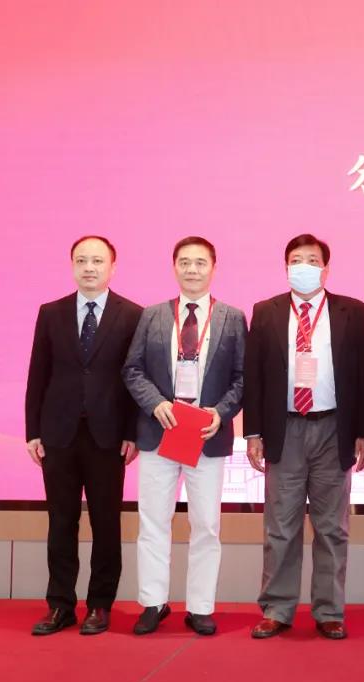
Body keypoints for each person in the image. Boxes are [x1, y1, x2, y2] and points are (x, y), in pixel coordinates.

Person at [244, 234, 364, 640]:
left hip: (335, 429)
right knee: (280, 526)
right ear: (286, 268)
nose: (304, 267)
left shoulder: (354, 312)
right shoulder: (265, 312)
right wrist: (253, 431)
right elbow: (254, 374)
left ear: (325, 269)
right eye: (296, 260)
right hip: (284, 429)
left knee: (332, 526)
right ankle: (277, 609)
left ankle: (329, 610)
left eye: (312, 260)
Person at [123, 236, 246, 636]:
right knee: (153, 521)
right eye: (185, 262)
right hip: (160, 432)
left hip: (206, 434)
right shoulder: (152, 315)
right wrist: (155, 403)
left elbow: (243, 377)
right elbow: (132, 369)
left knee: (206, 524)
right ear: (174, 267)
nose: (192, 269)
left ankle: (200, 606)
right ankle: (153, 602)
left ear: (214, 268)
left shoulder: (232, 317)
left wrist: (220, 412)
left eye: (200, 262)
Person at [26, 235, 142, 636]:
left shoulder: (132, 314)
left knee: (106, 523)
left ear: (113, 266)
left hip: (108, 436)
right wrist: (32, 431)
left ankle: (99, 605)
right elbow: (38, 374)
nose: (89, 267)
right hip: (58, 434)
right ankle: (60, 605)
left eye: (97, 260)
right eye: (81, 260)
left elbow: (135, 378)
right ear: (72, 266)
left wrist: (132, 432)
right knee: (61, 521)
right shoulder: (51, 312)